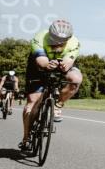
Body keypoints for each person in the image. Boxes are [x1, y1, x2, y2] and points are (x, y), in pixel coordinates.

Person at [20, 20, 83, 151]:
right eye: (55, 40)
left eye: (62, 41)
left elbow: (68, 62)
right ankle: (26, 138)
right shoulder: (39, 38)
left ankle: (58, 105)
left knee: (75, 80)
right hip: (38, 66)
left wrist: (64, 65)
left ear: (69, 38)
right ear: (50, 35)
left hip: (61, 63)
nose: (58, 43)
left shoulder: (74, 42)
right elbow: (41, 61)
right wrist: (47, 65)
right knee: (31, 104)